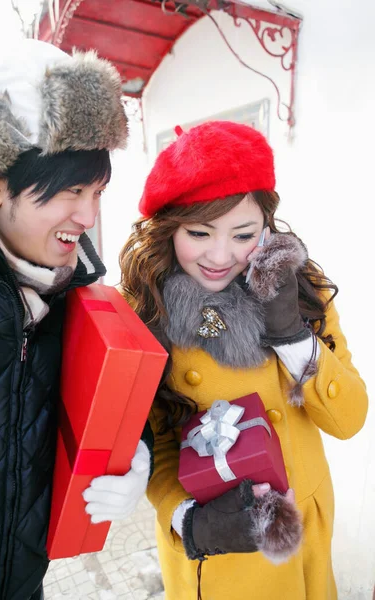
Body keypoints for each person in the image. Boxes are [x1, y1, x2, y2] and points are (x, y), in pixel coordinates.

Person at [119, 121, 368, 600]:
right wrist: (188, 522)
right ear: (169, 228)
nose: (220, 255)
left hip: (306, 529)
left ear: (268, 227)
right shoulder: (152, 311)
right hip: (224, 545)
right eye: (199, 232)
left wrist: (292, 335)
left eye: (243, 234)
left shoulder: (302, 289)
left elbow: (349, 418)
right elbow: (154, 443)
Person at [0, 40, 152, 600]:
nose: (90, 215)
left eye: (97, 191)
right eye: (72, 190)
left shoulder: (72, 300)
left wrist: (132, 453)